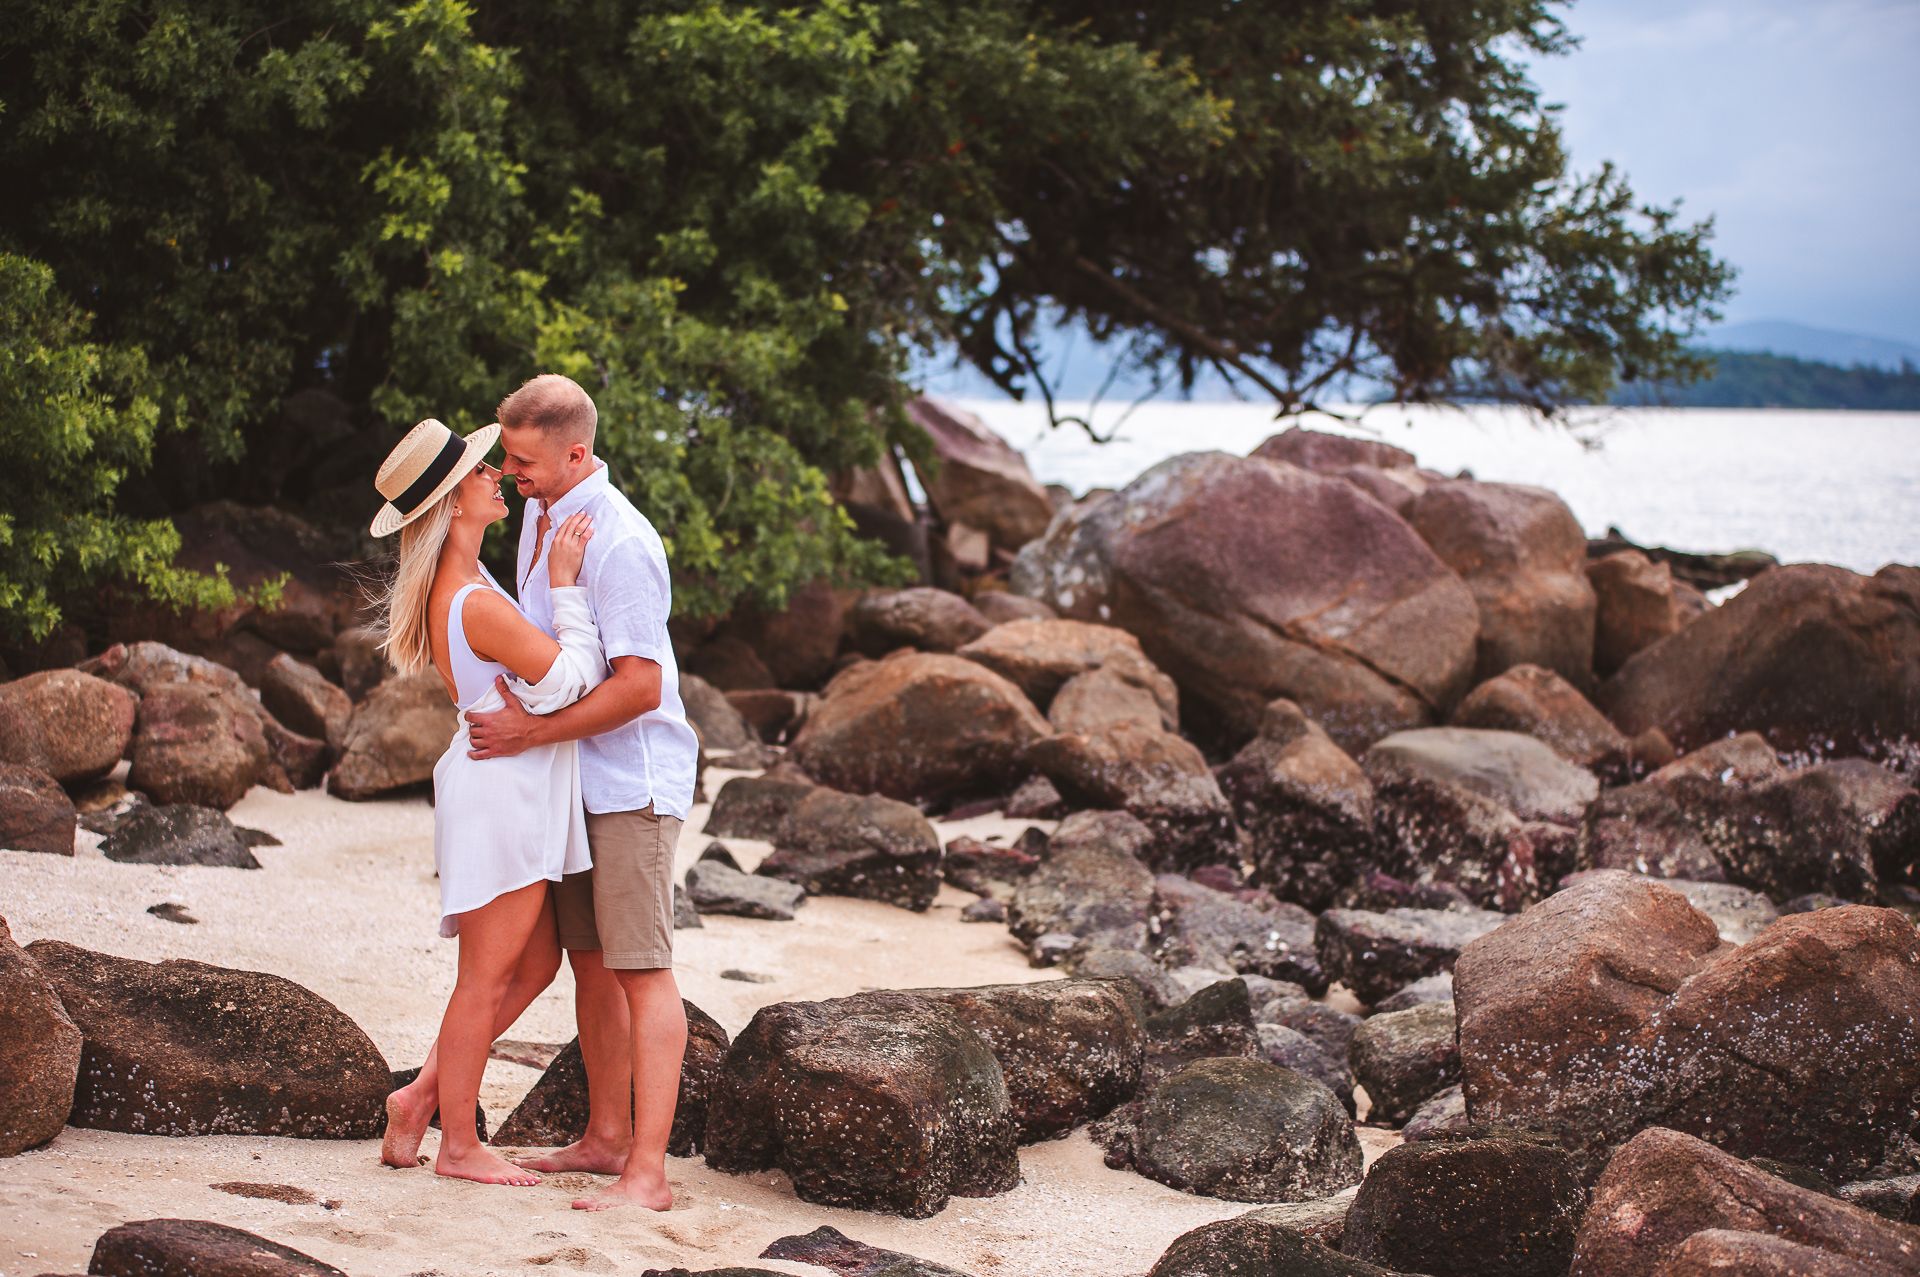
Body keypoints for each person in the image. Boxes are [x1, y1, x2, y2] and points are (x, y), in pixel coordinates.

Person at [466, 374, 700, 1212]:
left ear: (576, 451)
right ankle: (604, 1139)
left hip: (632, 780)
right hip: (572, 776)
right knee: (592, 964)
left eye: (525, 461)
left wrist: (528, 733)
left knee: (643, 969)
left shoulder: (621, 540)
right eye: (508, 458)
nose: (513, 472)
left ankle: (649, 1173)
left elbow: (640, 686)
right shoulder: (537, 508)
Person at [369, 417, 607, 1187]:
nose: (494, 475)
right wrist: (567, 585)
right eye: (478, 473)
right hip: (501, 791)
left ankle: (419, 1098)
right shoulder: (472, 599)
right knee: (483, 975)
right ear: (450, 505)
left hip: (508, 784)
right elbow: (573, 678)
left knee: (534, 961)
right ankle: (459, 1142)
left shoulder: (467, 585)